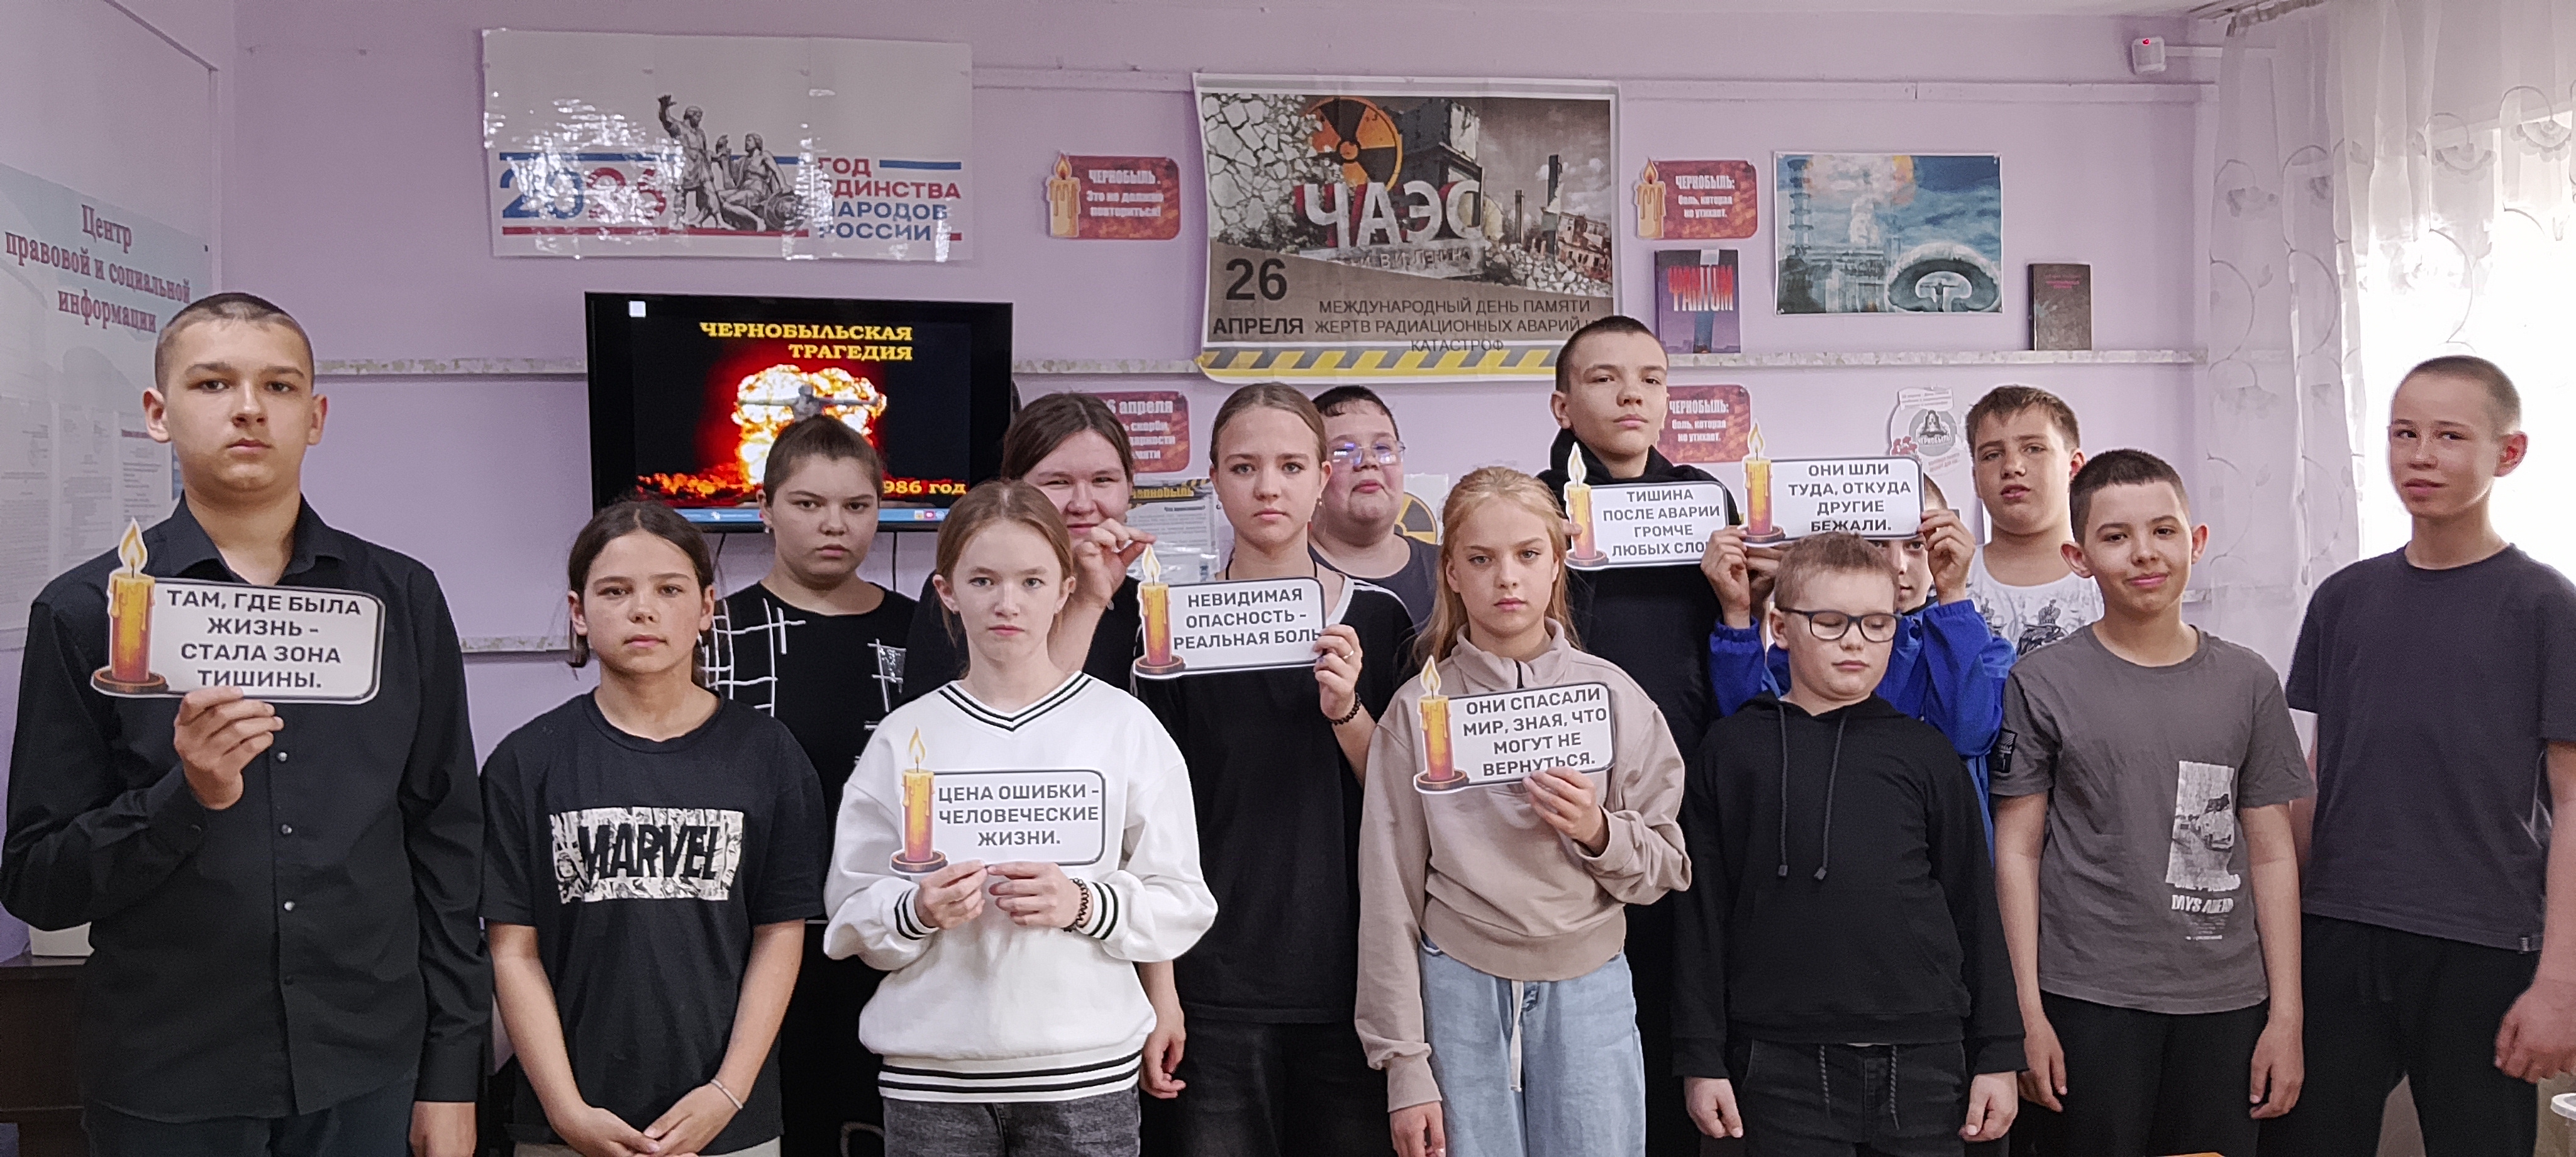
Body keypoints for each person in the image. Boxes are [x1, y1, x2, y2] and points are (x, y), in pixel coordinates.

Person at [0, 293, 485, 1156]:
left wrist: (453, 1071)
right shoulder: (85, 612)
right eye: (214, 383)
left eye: (280, 386)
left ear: (316, 417)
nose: (250, 407)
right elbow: (38, 881)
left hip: (367, 1067)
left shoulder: (401, 599)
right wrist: (182, 797)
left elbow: (446, 841)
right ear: (158, 413)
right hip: (168, 1078)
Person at [824, 479, 1217, 1156]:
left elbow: (1181, 898)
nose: (1007, 602)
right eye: (983, 580)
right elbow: (852, 908)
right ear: (947, 591)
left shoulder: (1122, 726)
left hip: (1084, 1074)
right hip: (933, 1077)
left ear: (1065, 589)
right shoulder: (905, 736)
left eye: (1031, 581)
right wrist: (917, 909)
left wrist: (1085, 902)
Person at [2262, 355, 2576, 1156]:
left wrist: (2560, 984)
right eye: (2404, 434)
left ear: (2508, 453)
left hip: (2483, 943)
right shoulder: (2343, 598)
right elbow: (2317, 777)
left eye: (2448, 436)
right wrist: (2274, 947)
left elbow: (2574, 804)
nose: (2420, 456)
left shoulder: (2546, 606)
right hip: (2338, 933)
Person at [1356, 466, 1691, 1157]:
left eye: (1528, 554)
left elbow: (1666, 866)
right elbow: (1388, 894)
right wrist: (1404, 1064)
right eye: (1481, 559)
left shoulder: (1613, 696)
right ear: (1451, 573)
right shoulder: (1417, 713)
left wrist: (1598, 831)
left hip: (1589, 985)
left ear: (1557, 563)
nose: (1506, 578)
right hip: (1459, 991)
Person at [1989, 450, 2307, 1156]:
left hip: (2225, 1002)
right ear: (2078, 557)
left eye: (2164, 531)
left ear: (2196, 541)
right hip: (2085, 999)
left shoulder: (2248, 682)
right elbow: (2017, 851)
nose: (2144, 553)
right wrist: (2026, 1012)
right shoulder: (2041, 681)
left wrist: (2286, 1015)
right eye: (2115, 536)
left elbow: (2272, 854)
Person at [484, 501, 822, 1157]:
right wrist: (566, 1110)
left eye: (669, 590)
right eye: (616, 591)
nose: (643, 610)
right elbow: (513, 952)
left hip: (726, 1123)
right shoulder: (527, 762)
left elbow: (779, 935)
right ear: (579, 611)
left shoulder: (769, 755)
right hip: (567, 1126)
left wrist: (728, 1092)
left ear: (706, 607)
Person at [1133, 384, 1416, 1157]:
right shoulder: (1169, 633)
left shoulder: (1377, 618)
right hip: (1212, 986)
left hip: (1352, 982)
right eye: (1243, 467)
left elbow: (1408, 804)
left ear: (1322, 476)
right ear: (1214, 480)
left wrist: (1347, 711)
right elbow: (1146, 830)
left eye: (1291, 466)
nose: (1267, 487)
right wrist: (1161, 987)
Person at [1674, 533, 2021, 1156]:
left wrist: (1998, 1052)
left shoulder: (1927, 754)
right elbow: (1701, 917)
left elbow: (1974, 905)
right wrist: (1700, 1056)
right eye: (1830, 622)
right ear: (1780, 627)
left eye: (1876, 623)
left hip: (1925, 1063)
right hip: (1777, 1064)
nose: (1856, 641)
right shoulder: (1731, 751)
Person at [1532, 313, 1739, 1157]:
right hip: (1557, 799)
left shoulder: (1703, 502)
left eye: (1651, 379)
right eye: (1605, 378)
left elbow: (1740, 646)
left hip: (1680, 794)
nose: (1632, 395)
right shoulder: (1529, 510)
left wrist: (1744, 593)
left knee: (1675, 1005)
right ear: (1562, 405)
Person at [710, 416, 917, 1157]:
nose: (835, 524)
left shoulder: (923, 634)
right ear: (764, 509)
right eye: (808, 504)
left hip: (890, 934)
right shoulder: (715, 634)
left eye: (857, 506)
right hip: (750, 939)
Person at [1707, 478, 2014, 841]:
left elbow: (1966, 735)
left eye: (1917, 545)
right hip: (1824, 843)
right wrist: (1741, 614)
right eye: (1877, 543)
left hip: (1930, 850)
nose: (1898, 565)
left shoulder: (1985, 650)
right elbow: (1749, 732)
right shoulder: (1814, 648)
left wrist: (1953, 594)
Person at [902, 392, 1152, 702]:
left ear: (1130, 487)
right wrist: (1087, 604)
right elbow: (999, 719)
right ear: (1014, 488)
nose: (1082, 504)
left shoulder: (1146, 608)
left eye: (1103, 480)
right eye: (1058, 482)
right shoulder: (968, 592)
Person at [1962, 386, 2099, 656]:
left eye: (2034, 449)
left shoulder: (2107, 580)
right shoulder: (1947, 581)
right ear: (1975, 479)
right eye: (1992, 455)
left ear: (2074, 468)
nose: (2012, 466)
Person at [1309, 385, 1441, 631]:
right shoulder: (1289, 578)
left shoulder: (1449, 570)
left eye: (1382, 449)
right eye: (1344, 451)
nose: (1368, 462)